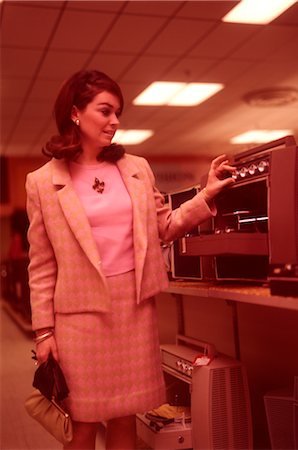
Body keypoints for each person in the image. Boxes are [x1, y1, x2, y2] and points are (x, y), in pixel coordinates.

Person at [26, 69, 235, 450]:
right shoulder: (42, 181)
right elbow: (41, 264)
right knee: (83, 423)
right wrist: (44, 332)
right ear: (76, 113)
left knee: (125, 417)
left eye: (118, 112)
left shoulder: (136, 168)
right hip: (79, 316)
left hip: (133, 310)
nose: (115, 121)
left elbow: (165, 226)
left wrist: (206, 194)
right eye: (105, 111)